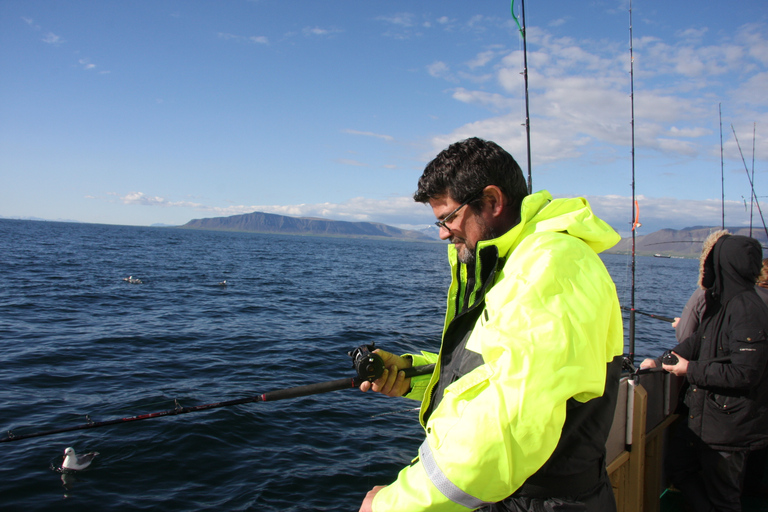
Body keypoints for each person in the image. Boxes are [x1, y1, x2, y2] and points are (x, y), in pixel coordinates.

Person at [358, 137, 624, 512]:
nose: (442, 233)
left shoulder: (549, 268)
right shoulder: (522, 263)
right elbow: (499, 370)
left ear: (493, 201)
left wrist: (389, 505)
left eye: (448, 217)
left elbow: (506, 427)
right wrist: (412, 375)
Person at [641, 234, 768, 512]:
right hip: (706, 421)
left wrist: (690, 369)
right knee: (678, 467)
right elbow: (695, 343)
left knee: (725, 497)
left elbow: (746, 373)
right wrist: (660, 362)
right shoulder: (720, 303)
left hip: (729, 427)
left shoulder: (748, 309)